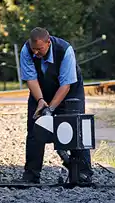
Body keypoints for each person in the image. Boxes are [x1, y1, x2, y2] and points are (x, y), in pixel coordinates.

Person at [20, 27, 93, 186]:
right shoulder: (26, 50)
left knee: (75, 128)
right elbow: (31, 79)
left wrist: (50, 109)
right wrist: (40, 101)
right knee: (34, 129)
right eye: (34, 49)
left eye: (39, 49)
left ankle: (83, 173)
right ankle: (31, 175)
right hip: (41, 90)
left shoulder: (65, 50)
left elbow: (65, 85)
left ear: (48, 42)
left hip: (69, 90)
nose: (36, 53)